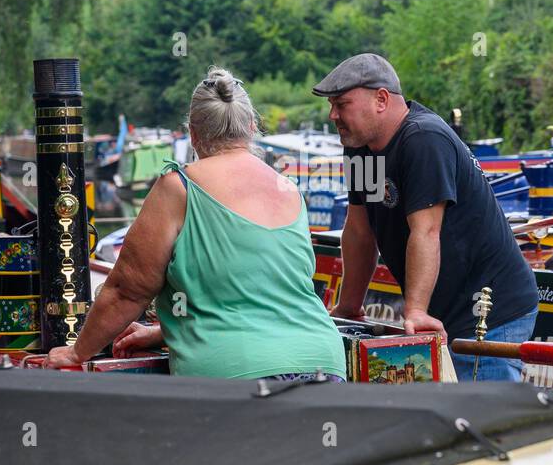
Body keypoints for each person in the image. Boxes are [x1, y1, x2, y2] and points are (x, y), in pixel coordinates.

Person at [46, 68, 347, 383]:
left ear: (192, 133)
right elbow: (260, 294)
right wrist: (165, 330)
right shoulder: (289, 189)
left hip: (235, 374)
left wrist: (77, 352)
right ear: (252, 127)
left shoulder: (178, 187)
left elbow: (126, 291)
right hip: (323, 364)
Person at [316, 53, 539, 381]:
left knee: (487, 421)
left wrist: (416, 311)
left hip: (490, 310)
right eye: (332, 105)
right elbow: (360, 231)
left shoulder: (423, 139)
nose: (333, 114)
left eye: (342, 104)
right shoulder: (362, 148)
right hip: (446, 309)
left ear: (381, 99)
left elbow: (426, 231)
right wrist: (349, 305)